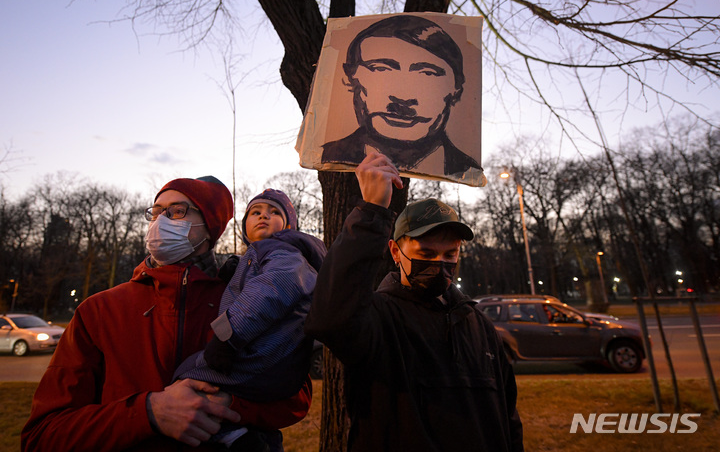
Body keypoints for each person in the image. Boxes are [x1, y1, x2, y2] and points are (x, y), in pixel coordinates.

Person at [22, 176, 312, 452]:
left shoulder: (242, 302)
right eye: (155, 212)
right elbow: (42, 436)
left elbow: (295, 398)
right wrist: (148, 413)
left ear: (209, 226)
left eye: (176, 211)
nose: (160, 221)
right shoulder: (98, 311)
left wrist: (228, 404)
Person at [305, 152, 524, 451]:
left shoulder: (480, 327)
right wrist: (371, 211)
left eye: (450, 255)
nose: (440, 264)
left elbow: (507, 417)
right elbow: (331, 317)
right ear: (395, 252)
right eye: (425, 254)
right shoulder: (377, 321)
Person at [174, 189, 326, 448]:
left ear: (288, 225)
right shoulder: (266, 255)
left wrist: (227, 337)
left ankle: (234, 438)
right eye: (255, 212)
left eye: (274, 212)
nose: (263, 216)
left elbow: (273, 288)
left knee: (185, 376)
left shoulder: (282, 250)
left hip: (262, 357)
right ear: (245, 225)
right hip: (277, 365)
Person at [321, 15, 482, 178]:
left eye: (428, 74)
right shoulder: (326, 155)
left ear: (456, 90)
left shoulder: (467, 168)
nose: (403, 97)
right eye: (381, 69)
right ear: (350, 77)